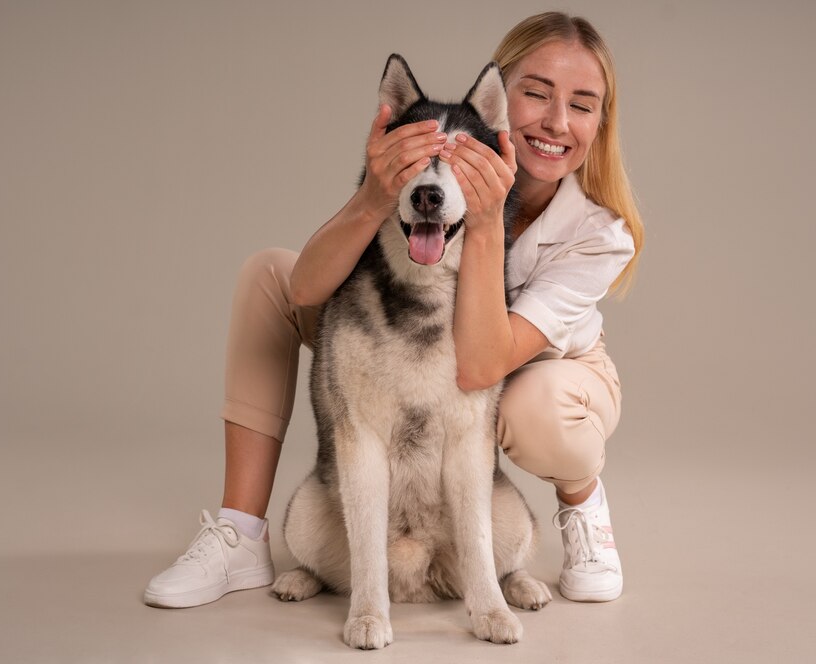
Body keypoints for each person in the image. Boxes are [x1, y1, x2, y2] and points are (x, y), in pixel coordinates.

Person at [144, 11, 644, 609]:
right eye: (536, 94)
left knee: (529, 406)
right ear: (500, 100)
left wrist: (483, 223)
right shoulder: (439, 150)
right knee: (270, 276)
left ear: (601, 122)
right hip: (419, 335)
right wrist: (375, 193)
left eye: (582, 104)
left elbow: (482, 364)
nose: (556, 121)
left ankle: (583, 505)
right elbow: (305, 289)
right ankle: (240, 533)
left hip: (542, 370)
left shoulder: (598, 231)